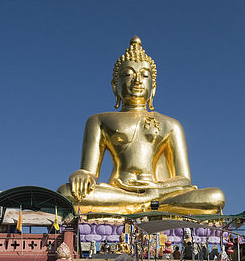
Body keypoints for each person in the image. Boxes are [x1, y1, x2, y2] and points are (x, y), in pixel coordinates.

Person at [58, 36, 225, 215]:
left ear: (153, 88)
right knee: (66, 193)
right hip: (119, 191)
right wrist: (82, 175)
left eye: (144, 75)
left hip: (160, 191)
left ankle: (145, 203)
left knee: (215, 197)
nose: (137, 80)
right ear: (115, 86)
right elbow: (90, 172)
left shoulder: (171, 124)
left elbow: (184, 178)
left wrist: (158, 188)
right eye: (128, 74)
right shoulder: (98, 120)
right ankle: (146, 203)